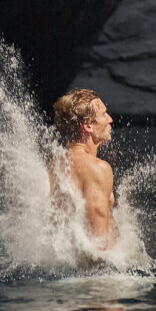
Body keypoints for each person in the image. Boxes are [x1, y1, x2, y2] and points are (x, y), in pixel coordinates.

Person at [51, 88, 116, 248]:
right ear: (88, 125)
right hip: (96, 271)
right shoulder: (97, 168)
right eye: (104, 114)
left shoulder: (54, 164)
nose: (110, 119)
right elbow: (99, 244)